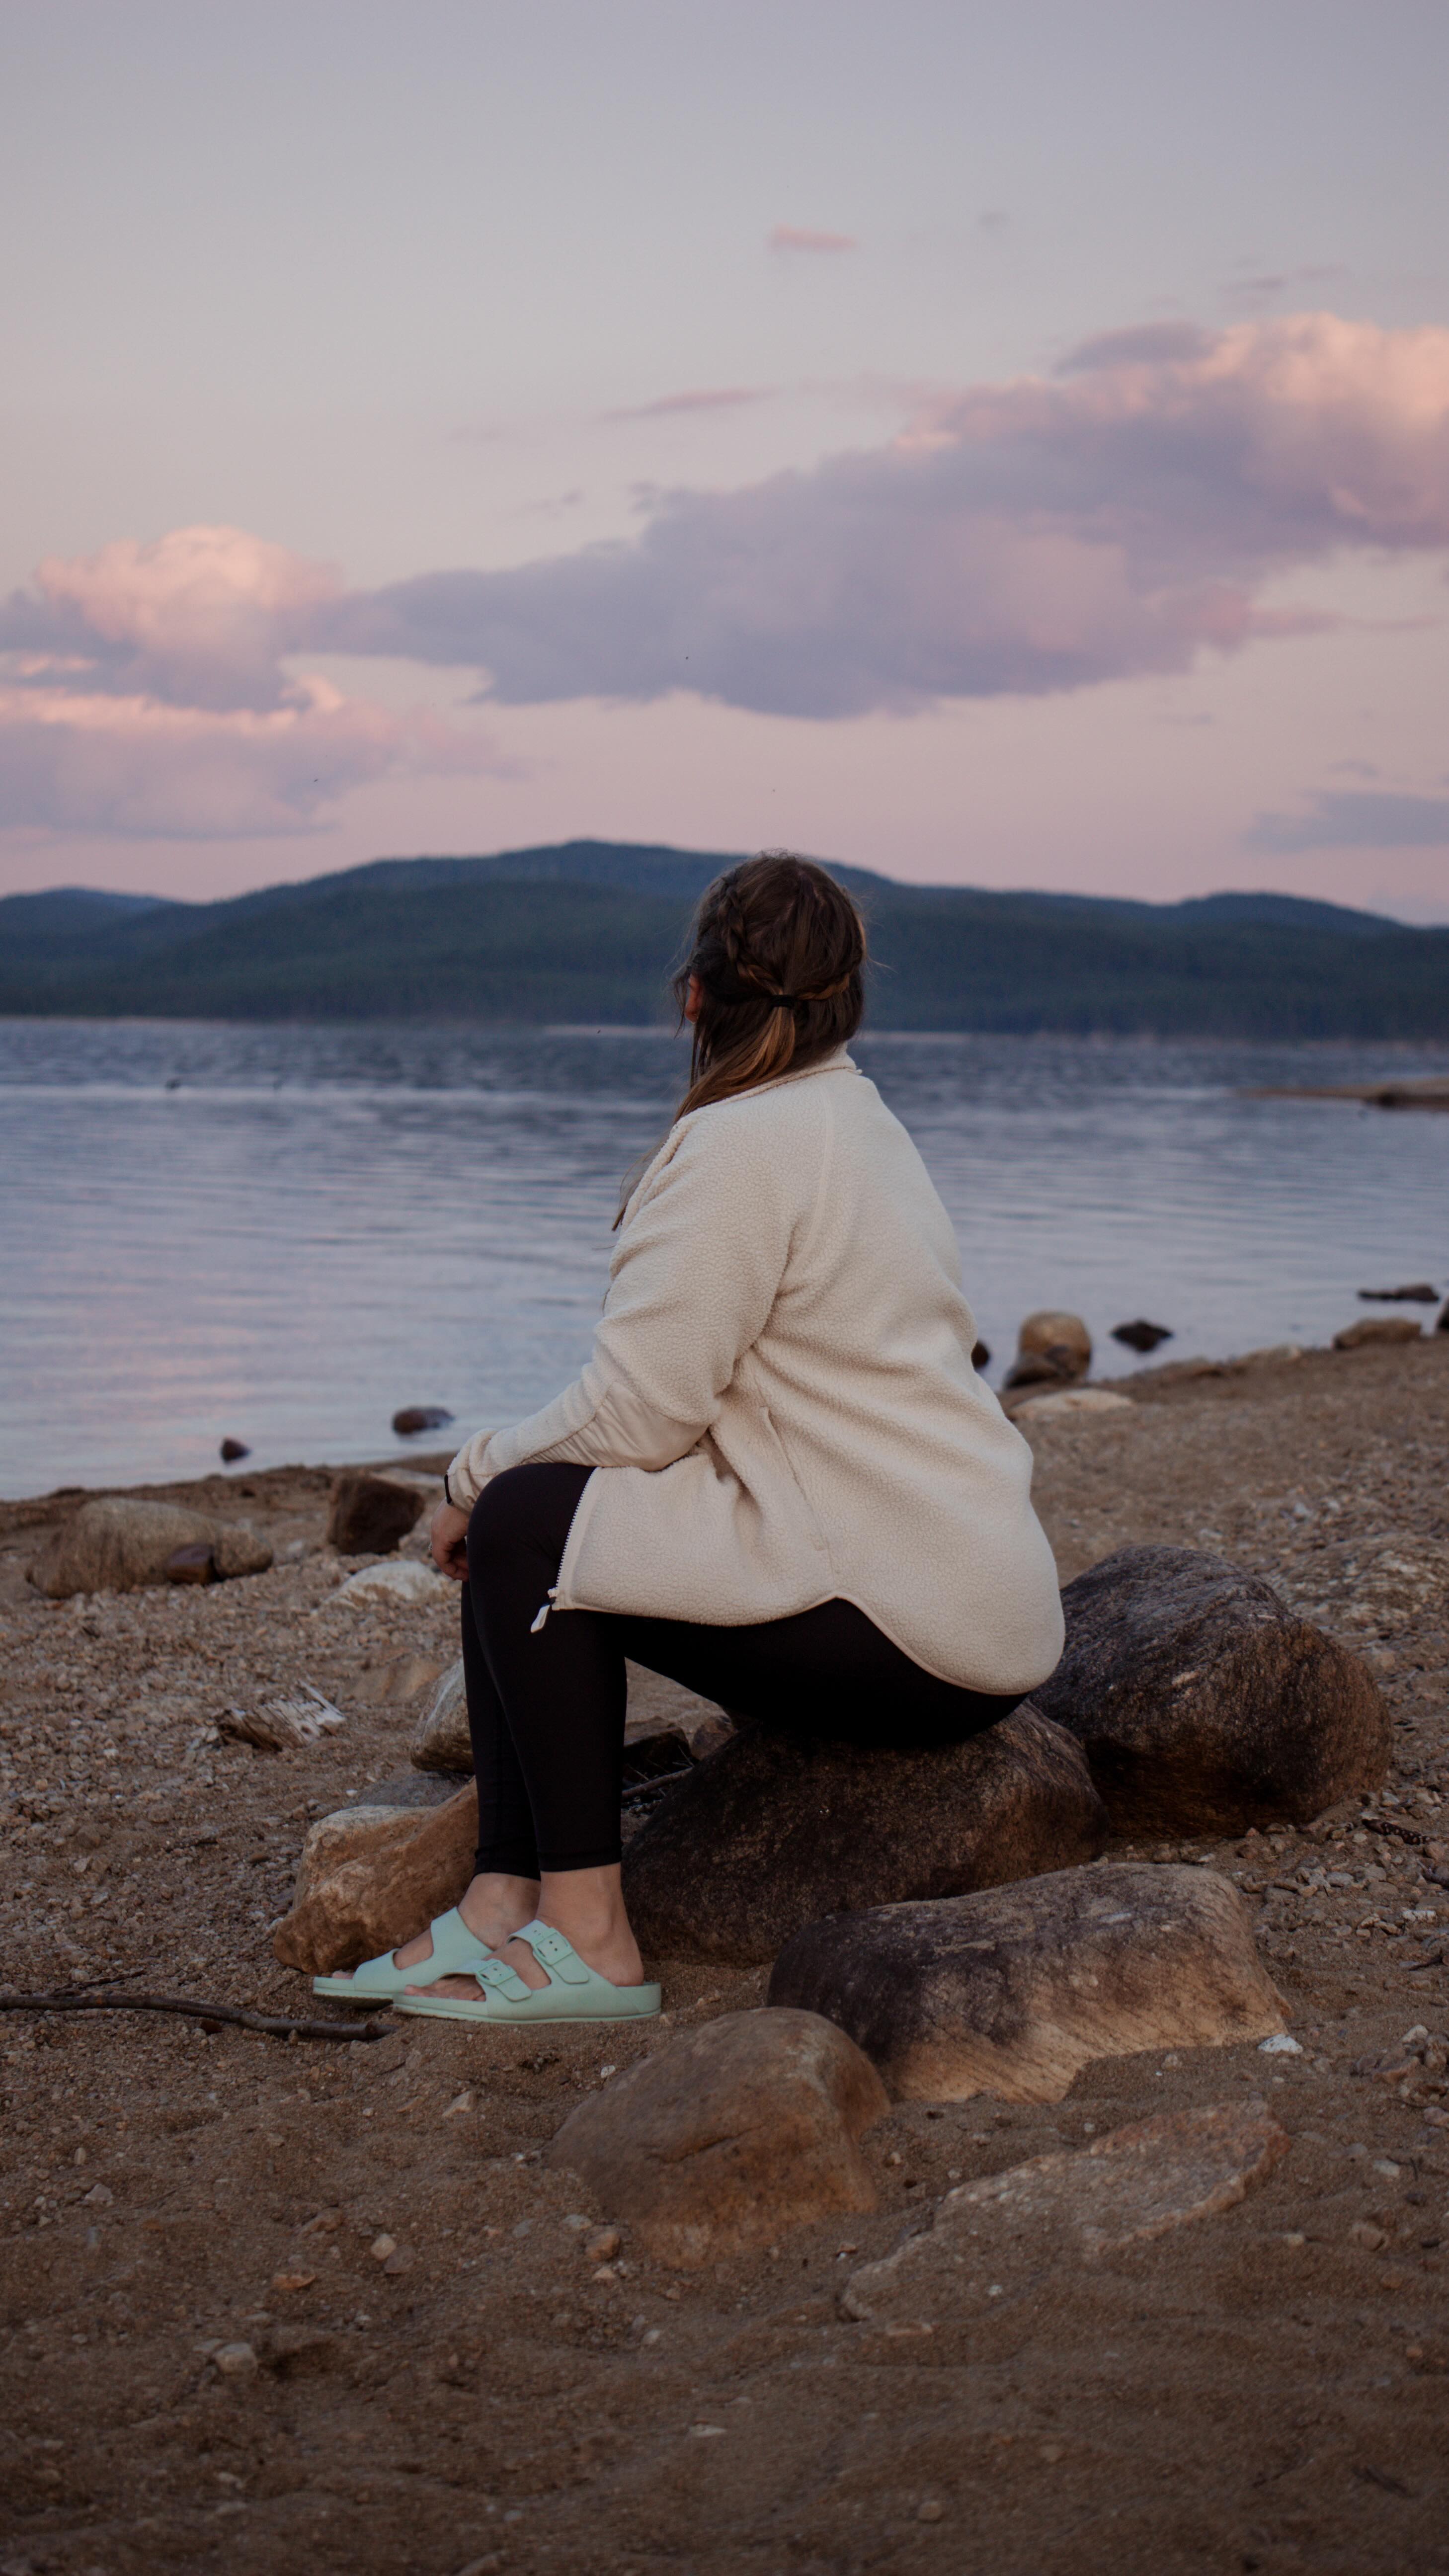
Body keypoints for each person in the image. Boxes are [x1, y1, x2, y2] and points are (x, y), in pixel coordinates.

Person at [314, 852, 1063, 2025]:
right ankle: (505, 1900)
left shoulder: (741, 1148)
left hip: (907, 1626)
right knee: (538, 1518)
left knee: (518, 1519)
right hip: (973, 1604)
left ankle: (592, 1943)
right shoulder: (855, 1121)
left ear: (695, 999)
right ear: (844, 1003)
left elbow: (638, 1415)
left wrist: (468, 1473)